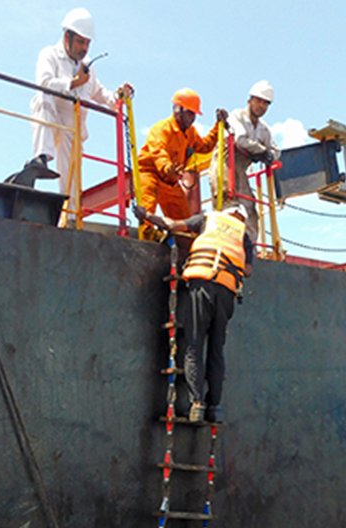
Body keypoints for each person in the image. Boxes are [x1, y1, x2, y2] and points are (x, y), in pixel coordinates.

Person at [134, 203, 254, 423]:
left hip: (202, 284)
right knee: (216, 350)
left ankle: (197, 405)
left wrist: (147, 216)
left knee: (193, 345)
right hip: (227, 292)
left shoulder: (208, 219)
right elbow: (247, 270)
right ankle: (215, 408)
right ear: (241, 217)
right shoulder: (243, 235)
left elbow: (172, 225)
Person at [29, 8, 132, 193]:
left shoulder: (87, 68)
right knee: (42, 95)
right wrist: (73, 82)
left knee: (72, 187)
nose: (84, 48)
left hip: (73, 131)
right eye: (80, 42)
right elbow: (44, 83)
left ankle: (69, 219)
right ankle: (42, 158)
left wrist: (119, 96)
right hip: (51, 119)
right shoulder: (49, 55)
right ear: (67, 37)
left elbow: (101, 94)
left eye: (87, 43)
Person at [137, 89, 228, 239]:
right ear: (177, 110)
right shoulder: (162, 129)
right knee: (146, 214)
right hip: (150, 174)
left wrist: (218, 125)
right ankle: (148, 236)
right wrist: (166, 168)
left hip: (171, 182)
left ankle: (181, 245)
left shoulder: (190, 132)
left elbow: (205, 146)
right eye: (189, 113)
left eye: (194, 114)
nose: (192, 118)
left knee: (186, 227)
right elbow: (159, 152)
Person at [208, 80, 281, 242]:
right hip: (223, 166)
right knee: (227, 206)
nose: (261, 106)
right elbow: (240, 140)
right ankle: (223, 247)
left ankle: (249, 252)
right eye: (258, 101)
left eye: (265, 103)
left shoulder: (263, 128)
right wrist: (261, 151)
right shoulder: (237, 116)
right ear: (250, 101)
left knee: (250, 212)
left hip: (240, 171)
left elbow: (276, 151)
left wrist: (269, 155)